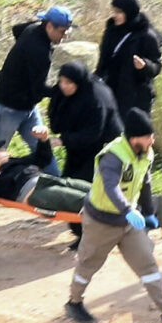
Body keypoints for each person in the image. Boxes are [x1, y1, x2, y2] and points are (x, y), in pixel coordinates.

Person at [64, 108, 162, 323]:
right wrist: (128, 210)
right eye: (149, 137)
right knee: (88, 264)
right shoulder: (113, 156)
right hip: (101, 222)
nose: (153, 141)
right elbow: (110, 187)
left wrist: (147, 212)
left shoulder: (146, 154)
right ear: (135, 137)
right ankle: (74, 302)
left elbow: (145, 182)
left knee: (147, 263)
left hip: (128, 224)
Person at [0, 5, 73, 175]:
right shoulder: (39, 52)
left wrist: (18, 63)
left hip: (27, 107)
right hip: (7, 108)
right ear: (49, 26)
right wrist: (62, 91)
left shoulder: (32, 28)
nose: (65, 36)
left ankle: (57, 182)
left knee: (43, 148)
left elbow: (16, 29)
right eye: (62, 32)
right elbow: (39, 90)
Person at [47, 60, 123, 246]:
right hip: (79, 147)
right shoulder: (65, 90)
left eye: (68, 83)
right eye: (61, 81)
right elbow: (55, 114)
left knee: (85, 192)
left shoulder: (96, 98)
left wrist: (63, 140)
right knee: (71, 188)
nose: (63, 86)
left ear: (79, 82)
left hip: (102, 148)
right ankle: (83, 233)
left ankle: (89, 235)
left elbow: (93, 134)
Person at [0, 129, 92, 214]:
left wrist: (43, 140)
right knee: (84, 200)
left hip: (46, 180)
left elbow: (41, 159)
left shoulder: (11, 162)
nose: (3, 150)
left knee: (93, 189)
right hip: (34, 193)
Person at [94, 0, 162, 122]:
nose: (115, 15)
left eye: (119, 12)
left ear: (129, 11)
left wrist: (144, 66)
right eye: (113, 11)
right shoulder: (112, 30)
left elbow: (157, 65)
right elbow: (104, 60)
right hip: (110, 90)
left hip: (134, 98)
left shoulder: (147, 36)